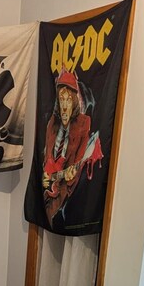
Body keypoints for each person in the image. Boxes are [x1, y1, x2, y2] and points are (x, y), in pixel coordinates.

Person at [42, 68, 96, 223]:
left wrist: (58, 177)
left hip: (66, 187)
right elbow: (47, 157)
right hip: (49, 184)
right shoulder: (52, 122)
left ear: (74, 101)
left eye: (68, 100)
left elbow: (76, 167)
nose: (64, 105)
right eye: (61, 99)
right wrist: (47, 176)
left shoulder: (84, 123)